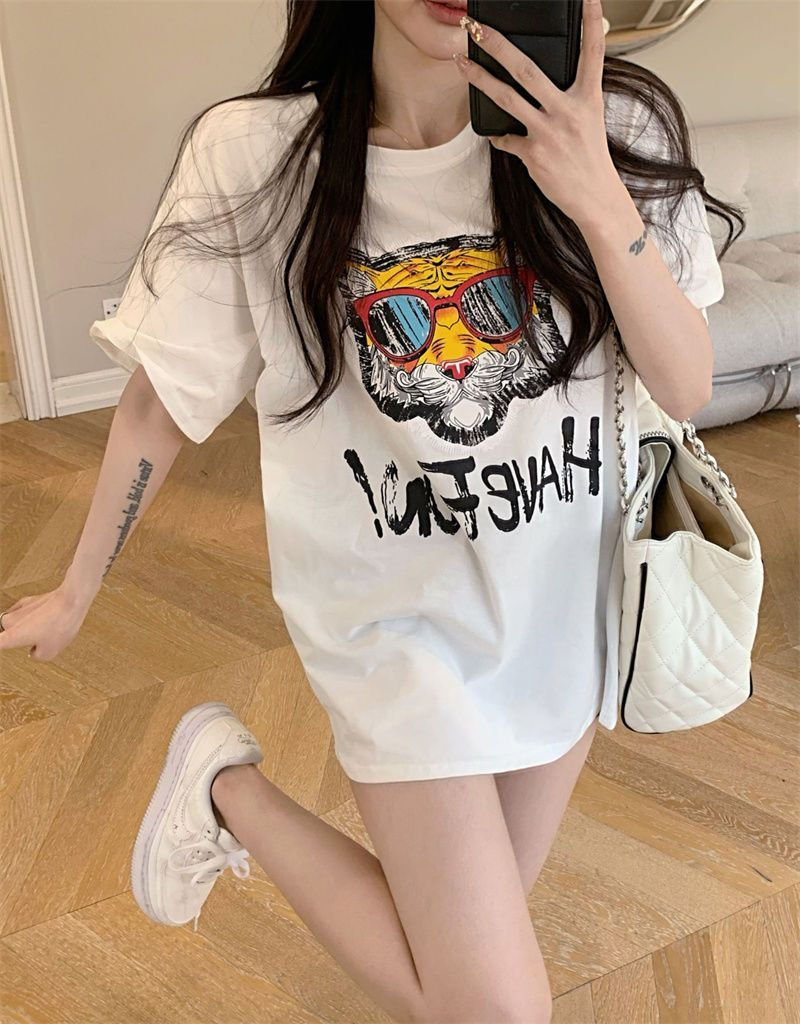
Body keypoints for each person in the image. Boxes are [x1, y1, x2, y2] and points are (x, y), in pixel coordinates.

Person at [0, 1, 743, 1021]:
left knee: (449, 974)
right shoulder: (259, 155)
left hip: (562, 612)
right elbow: (160, 399)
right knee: (496, 1008)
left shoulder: (611, 123)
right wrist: (76, 589)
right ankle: (234, 792)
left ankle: (222, 788)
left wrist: (593, 190)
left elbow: (686, 383)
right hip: (394, 629)